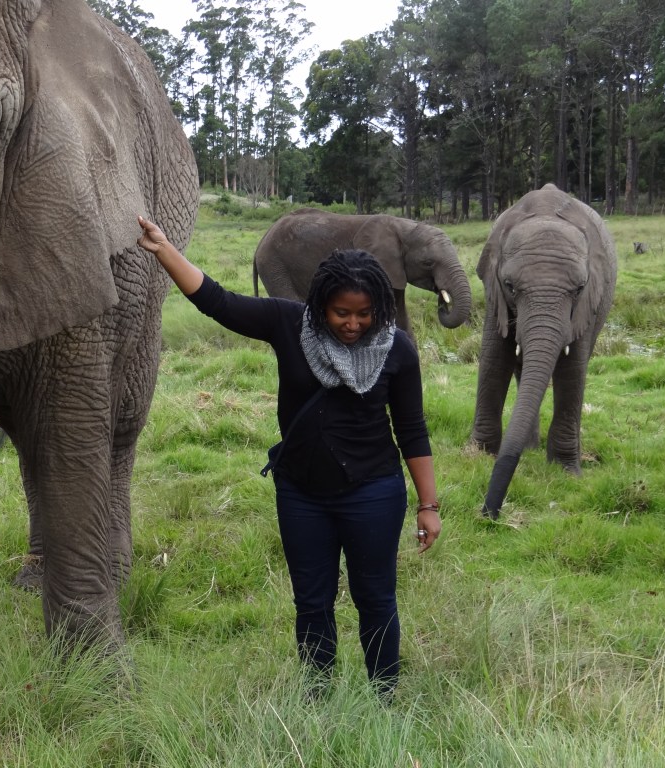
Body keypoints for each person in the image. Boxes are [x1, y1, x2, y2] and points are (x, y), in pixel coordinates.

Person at [136, 215, 442, 699]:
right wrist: (164, 249)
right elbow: (218, 301)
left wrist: (428, 505)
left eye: (364, 314)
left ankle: (384, 698)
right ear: (320, 304)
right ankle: (317, 698)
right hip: (302, 494)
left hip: (374, 494)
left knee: (376, 599)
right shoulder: (289, 323)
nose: (353, 324)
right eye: (341, 313)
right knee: (312, 602)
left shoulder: (396, 348)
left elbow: (412, 430)